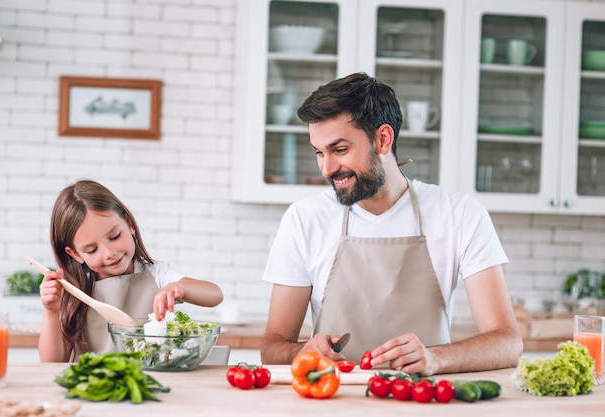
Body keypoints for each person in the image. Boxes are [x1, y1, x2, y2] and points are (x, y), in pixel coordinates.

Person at [260, 72, 523, 376]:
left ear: (383, 139)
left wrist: (436, 358)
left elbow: (507, 342)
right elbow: (272, 346)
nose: (327, 168)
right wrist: (302, 351)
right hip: (333, 401)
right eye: (319, 152)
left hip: (423, 401)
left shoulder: (460, 214)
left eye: (340, 150)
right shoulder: (304, 219)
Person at [38, 179, 224, 362]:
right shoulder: (73, 291)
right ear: (75, 254)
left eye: (114, 236)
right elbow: (51, 362)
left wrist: (179, 288)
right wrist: (51, 311)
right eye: (92, 250)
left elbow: (215, 295)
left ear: (130, 225)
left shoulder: (157, 275)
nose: (110, 253)